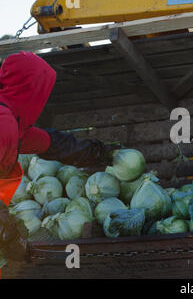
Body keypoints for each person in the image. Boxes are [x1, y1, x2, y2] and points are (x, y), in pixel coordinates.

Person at [0, 52, 119, 273]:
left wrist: (97, 152)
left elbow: (53, 144)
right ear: (30, 91)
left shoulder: (12, 120)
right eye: (42, 94)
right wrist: (9, 239)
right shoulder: (4, 124)